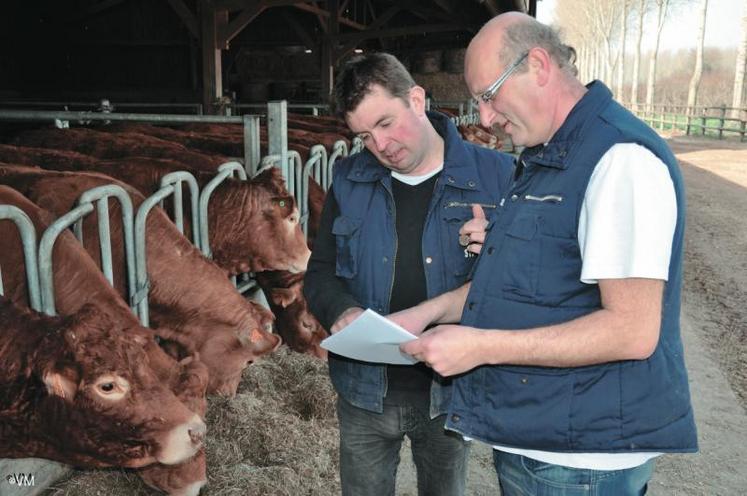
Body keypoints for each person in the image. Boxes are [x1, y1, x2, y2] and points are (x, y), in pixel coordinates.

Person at [395, 12, 698, 496]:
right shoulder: (548, 158)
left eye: (489, 96)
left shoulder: (619, 160)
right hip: (544, 436)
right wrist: (424, 314)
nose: (487, 118)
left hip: (581, 459)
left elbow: (633, 330)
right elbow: (527, 279)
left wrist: (480, 346)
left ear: (537, 65)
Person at [303, 52, 514, 496]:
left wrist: (499, 246)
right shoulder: (348, 177)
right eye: (364, 135)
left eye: (385, 122)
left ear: (417, 99)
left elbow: (527, 283)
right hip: (365, 390)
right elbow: (320, 272)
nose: (380, 145)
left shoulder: (496, 175)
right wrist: (341, 311)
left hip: (449, 390)